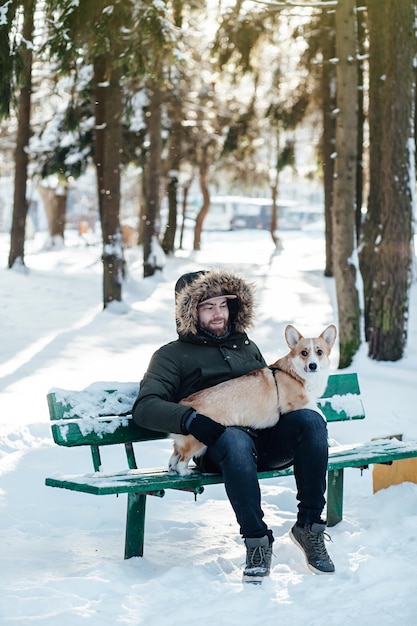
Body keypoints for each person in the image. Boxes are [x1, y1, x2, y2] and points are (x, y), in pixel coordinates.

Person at [132, 268, 335, 583]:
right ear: (189, 311)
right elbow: (145, 408)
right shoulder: (171, 356)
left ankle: (309, 527)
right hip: (217, 446)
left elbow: (270, 392)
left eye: (222, 305)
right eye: (207, 306)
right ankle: (257, 541)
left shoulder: (246, 347)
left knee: (310, 421)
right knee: (234, 440)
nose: (217, 313)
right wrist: (191, 420)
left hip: (262, 441)